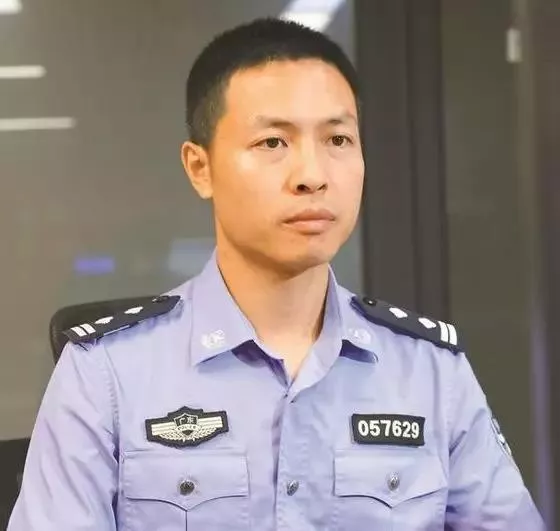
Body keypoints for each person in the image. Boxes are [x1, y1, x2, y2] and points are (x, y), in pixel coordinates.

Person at [8, 17, 545, 531]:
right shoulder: (106, 372)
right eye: (273, 143)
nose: (312, 175)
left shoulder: (429, 371)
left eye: (338, 140)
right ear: (200, 168)